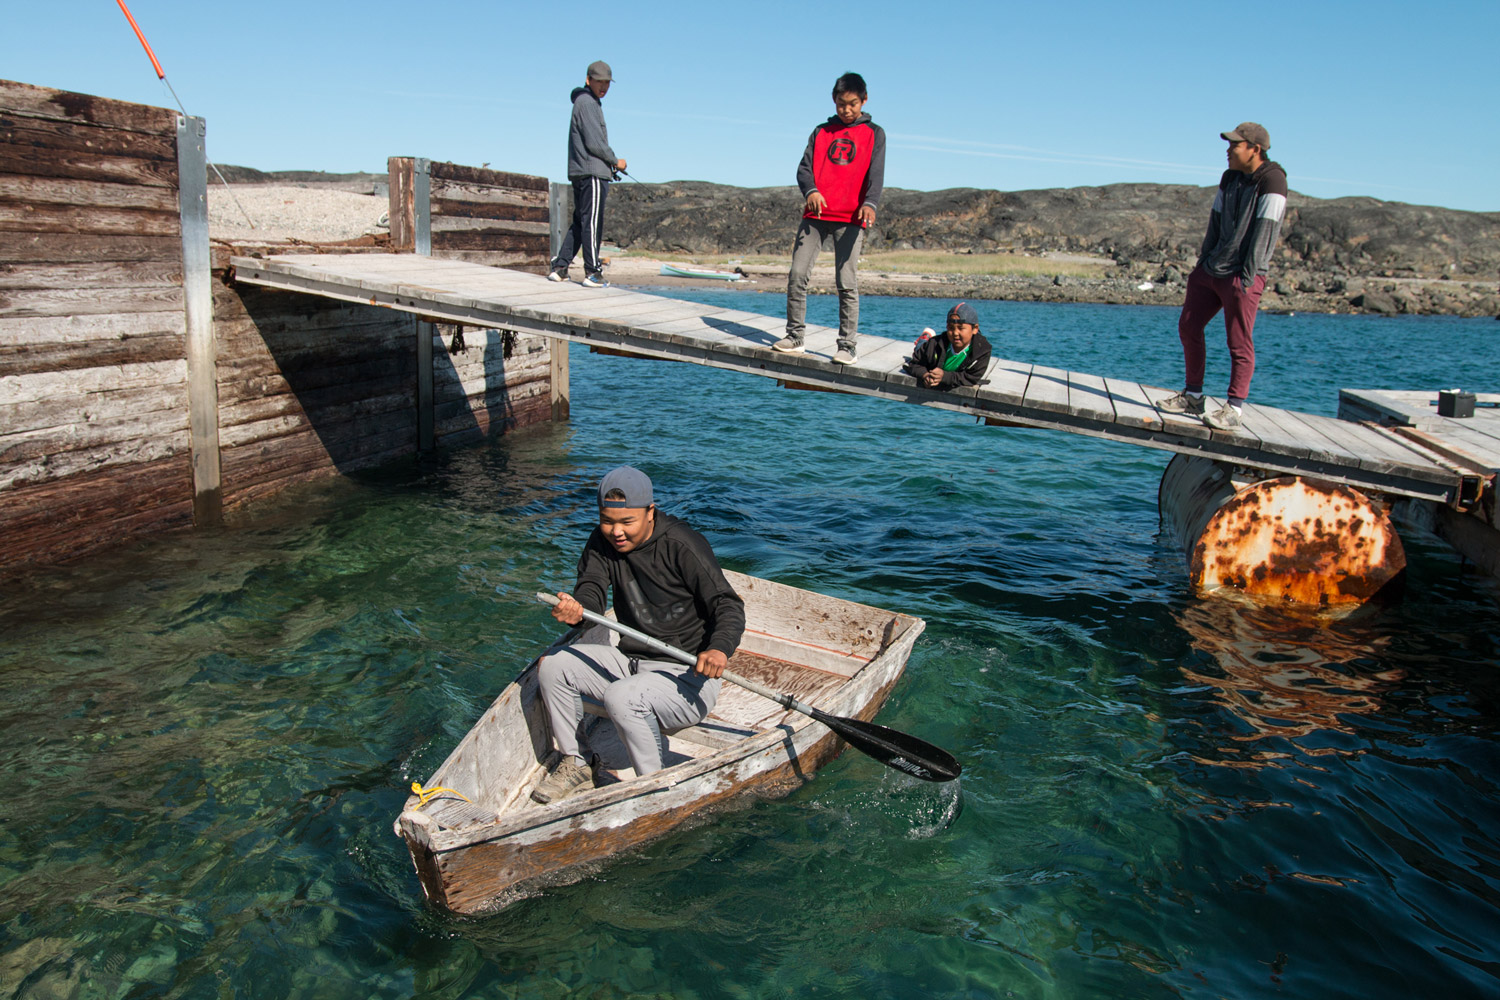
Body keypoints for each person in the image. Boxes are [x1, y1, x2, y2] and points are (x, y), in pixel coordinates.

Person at [531, 467, 745, 804]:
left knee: (622, 697)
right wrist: (578, 610)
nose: (615, 532)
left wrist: (719, 649)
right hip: (630, 662)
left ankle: (655, 789)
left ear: (650, 512)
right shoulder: (600, 542)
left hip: (687, 679)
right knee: (552, 666)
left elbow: (728, 605)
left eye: (626, 522)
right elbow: (591, 593)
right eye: (607, 520)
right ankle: (578, 763)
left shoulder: (681, 544)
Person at [1157, 122, 1288, 431]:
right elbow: (1215, 221)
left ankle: (1234, 408)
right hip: (1212, 269)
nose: (1228, 150)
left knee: (1238, 342)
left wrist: (1247, 276)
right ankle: (1193, 396)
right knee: (1189, 327)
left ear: (1255, 150)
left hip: (1242, 275)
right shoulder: (1229, 177)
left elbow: (1265, 232)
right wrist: (1201, 264)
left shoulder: (1273, 180)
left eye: (1235, 145)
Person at [772, 72, 886, 366]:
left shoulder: (875, 133)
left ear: (864, 100)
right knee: (797, 275)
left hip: (850, 219)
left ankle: (847, 346)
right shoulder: (821, 132)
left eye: (851, 104)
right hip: (815, 216)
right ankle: (795, 337)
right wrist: (811, 191)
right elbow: (803, 170)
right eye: (840, 104)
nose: (846, 110)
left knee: (846, 282)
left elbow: (876, 175)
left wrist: (870, 204)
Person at [548, 60, 626, 289]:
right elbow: (595, 143)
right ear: (588, 80)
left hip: (584, 171)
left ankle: (560, 268)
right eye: (599, 82)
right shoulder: (587, 103)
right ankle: (592, 272)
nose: (604, 86)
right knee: (591, 222)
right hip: (591, 173)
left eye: (607, 83)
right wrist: (615, 161)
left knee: (580, 222)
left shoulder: (586, 102)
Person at [905, 301, 993, 390]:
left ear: (975, 329)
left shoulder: (982, 351)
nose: (955, 333)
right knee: (919, 348)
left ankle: (925, 337)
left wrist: (944, 376)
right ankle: (924, 338)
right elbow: (914, 363)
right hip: (928, 347)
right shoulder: (934, 344)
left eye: (961, 328)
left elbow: (971, 377)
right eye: (951, 328)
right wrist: (925, 375)